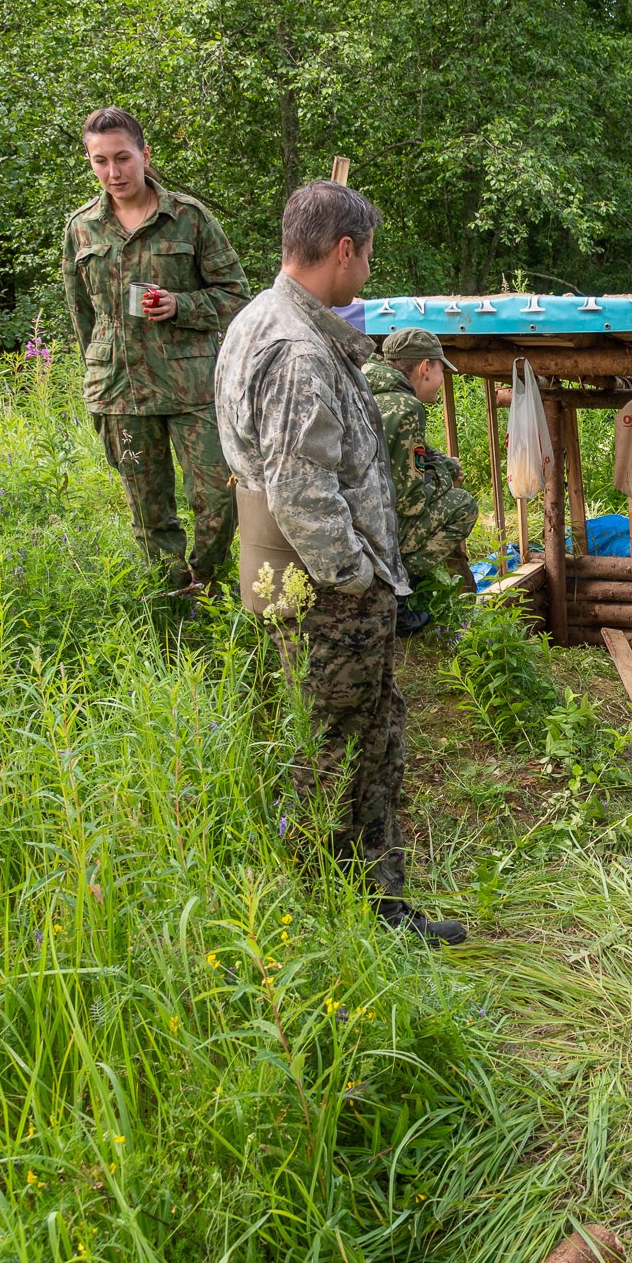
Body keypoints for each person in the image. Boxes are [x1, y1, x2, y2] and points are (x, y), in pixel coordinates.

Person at [212, 180, 465, 946]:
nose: (369, 272)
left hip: (306, 585)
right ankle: (345, 920)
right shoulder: (292, 346)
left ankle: (362, 907)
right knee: (341, 748)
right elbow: (299, 486)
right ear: (344, 250)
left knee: (355, 736)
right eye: (369, 256)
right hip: (328, 594)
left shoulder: (265, 318)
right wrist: (356, 576)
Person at [61, 106, 249, 594]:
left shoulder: (188, 218)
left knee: (218, 495)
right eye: (100, 161)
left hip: (191, 387)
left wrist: (180, 305)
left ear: (145, 154)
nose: (113, 172)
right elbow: (83, 314)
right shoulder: (82, 228)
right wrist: (99, 370)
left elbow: (235, 296)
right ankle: (170, 594)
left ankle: (207, 581)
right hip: (121, 390)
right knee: (147, 504)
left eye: (122, 158)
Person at [360, 328, 480, 634]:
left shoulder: (367, 390)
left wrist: (438, 462)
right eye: (441, 370)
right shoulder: (405, 407)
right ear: (425, 367)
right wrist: (447, 474)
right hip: (376, 528)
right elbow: (410, 502)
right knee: (462, 505)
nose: (442, 381)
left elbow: (413, 452)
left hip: (350, 522)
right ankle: (395, 593)